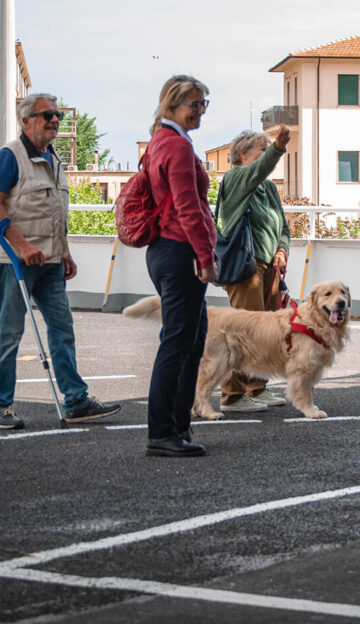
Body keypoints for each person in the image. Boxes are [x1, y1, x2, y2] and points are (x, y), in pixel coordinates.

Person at [0, 92, 122, 430]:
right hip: (16, 261)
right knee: (9, 333)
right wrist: (21, 246)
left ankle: (76, 401)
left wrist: (65, 252)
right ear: (27, 120)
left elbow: (54, 213)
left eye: (57, 114)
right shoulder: (10, 156)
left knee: (62, 330)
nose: (55, 120)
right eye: (47, 115)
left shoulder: (54, 158)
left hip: (51, 261)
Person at [142, 75, 217, 458]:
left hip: (164, 251)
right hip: (179, 252)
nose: (201, 110)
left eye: (204, 103)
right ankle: (162, 432)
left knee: (191, 340)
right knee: (177, 343)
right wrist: (205, 258)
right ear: (171, 105)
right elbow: (189, 209)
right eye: (194, 104)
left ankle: (177, 425)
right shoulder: (177, 147)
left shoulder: (160, 141)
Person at [213, 127, 293, 413]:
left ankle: (256, 389)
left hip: (269, 266)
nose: (267, 154)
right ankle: (232, 395)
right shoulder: (235, 178)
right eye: (262, 149)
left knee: (264, 334)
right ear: (244, 153)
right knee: (243, 332)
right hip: (247, 267)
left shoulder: (268, 188)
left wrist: (282, 250)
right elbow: (259, 169)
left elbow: (282, 226)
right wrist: (279, 147)